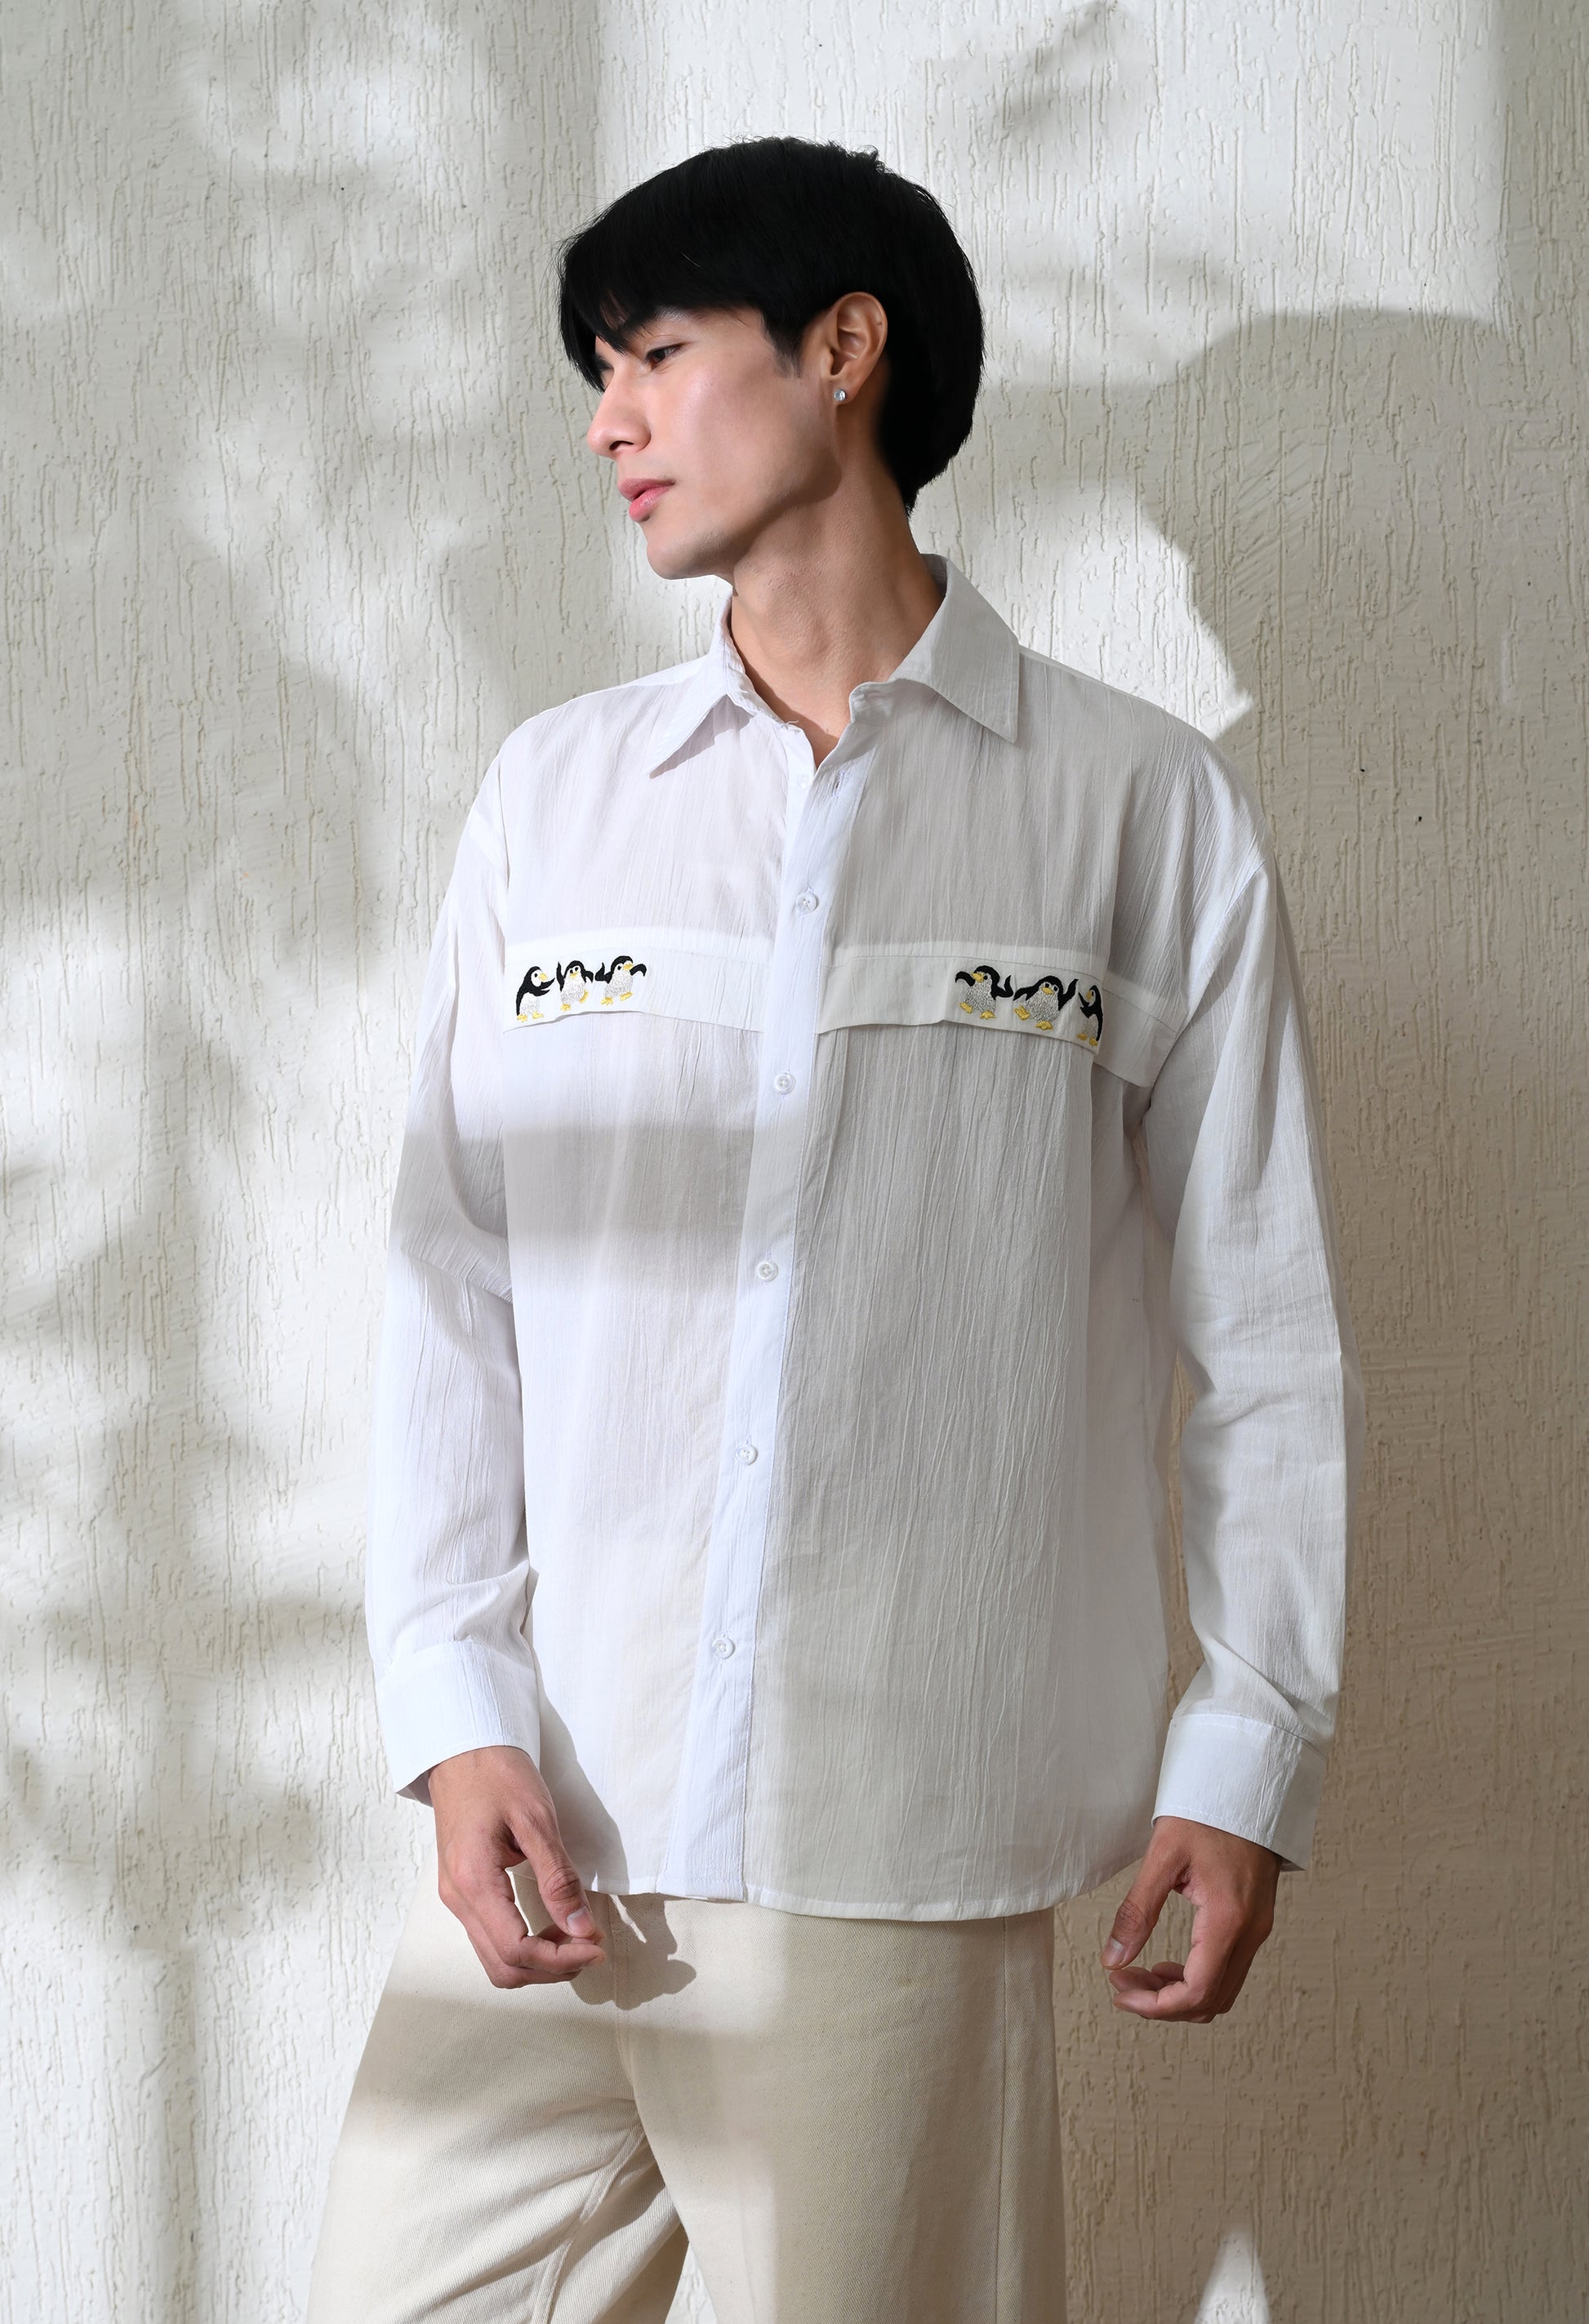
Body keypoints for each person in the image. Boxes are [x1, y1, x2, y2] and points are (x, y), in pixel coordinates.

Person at [305, 135, 1364, 2324]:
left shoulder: (1138, 810)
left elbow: (1262, 1334)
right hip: (557, 1822)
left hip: (892, 1843)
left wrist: (1246, 1749)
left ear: (842, 351)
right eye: (596, 372)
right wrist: (455, 1705)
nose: (605, 421)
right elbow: (452, 1290)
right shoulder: (553, 800)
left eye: (654, 356)